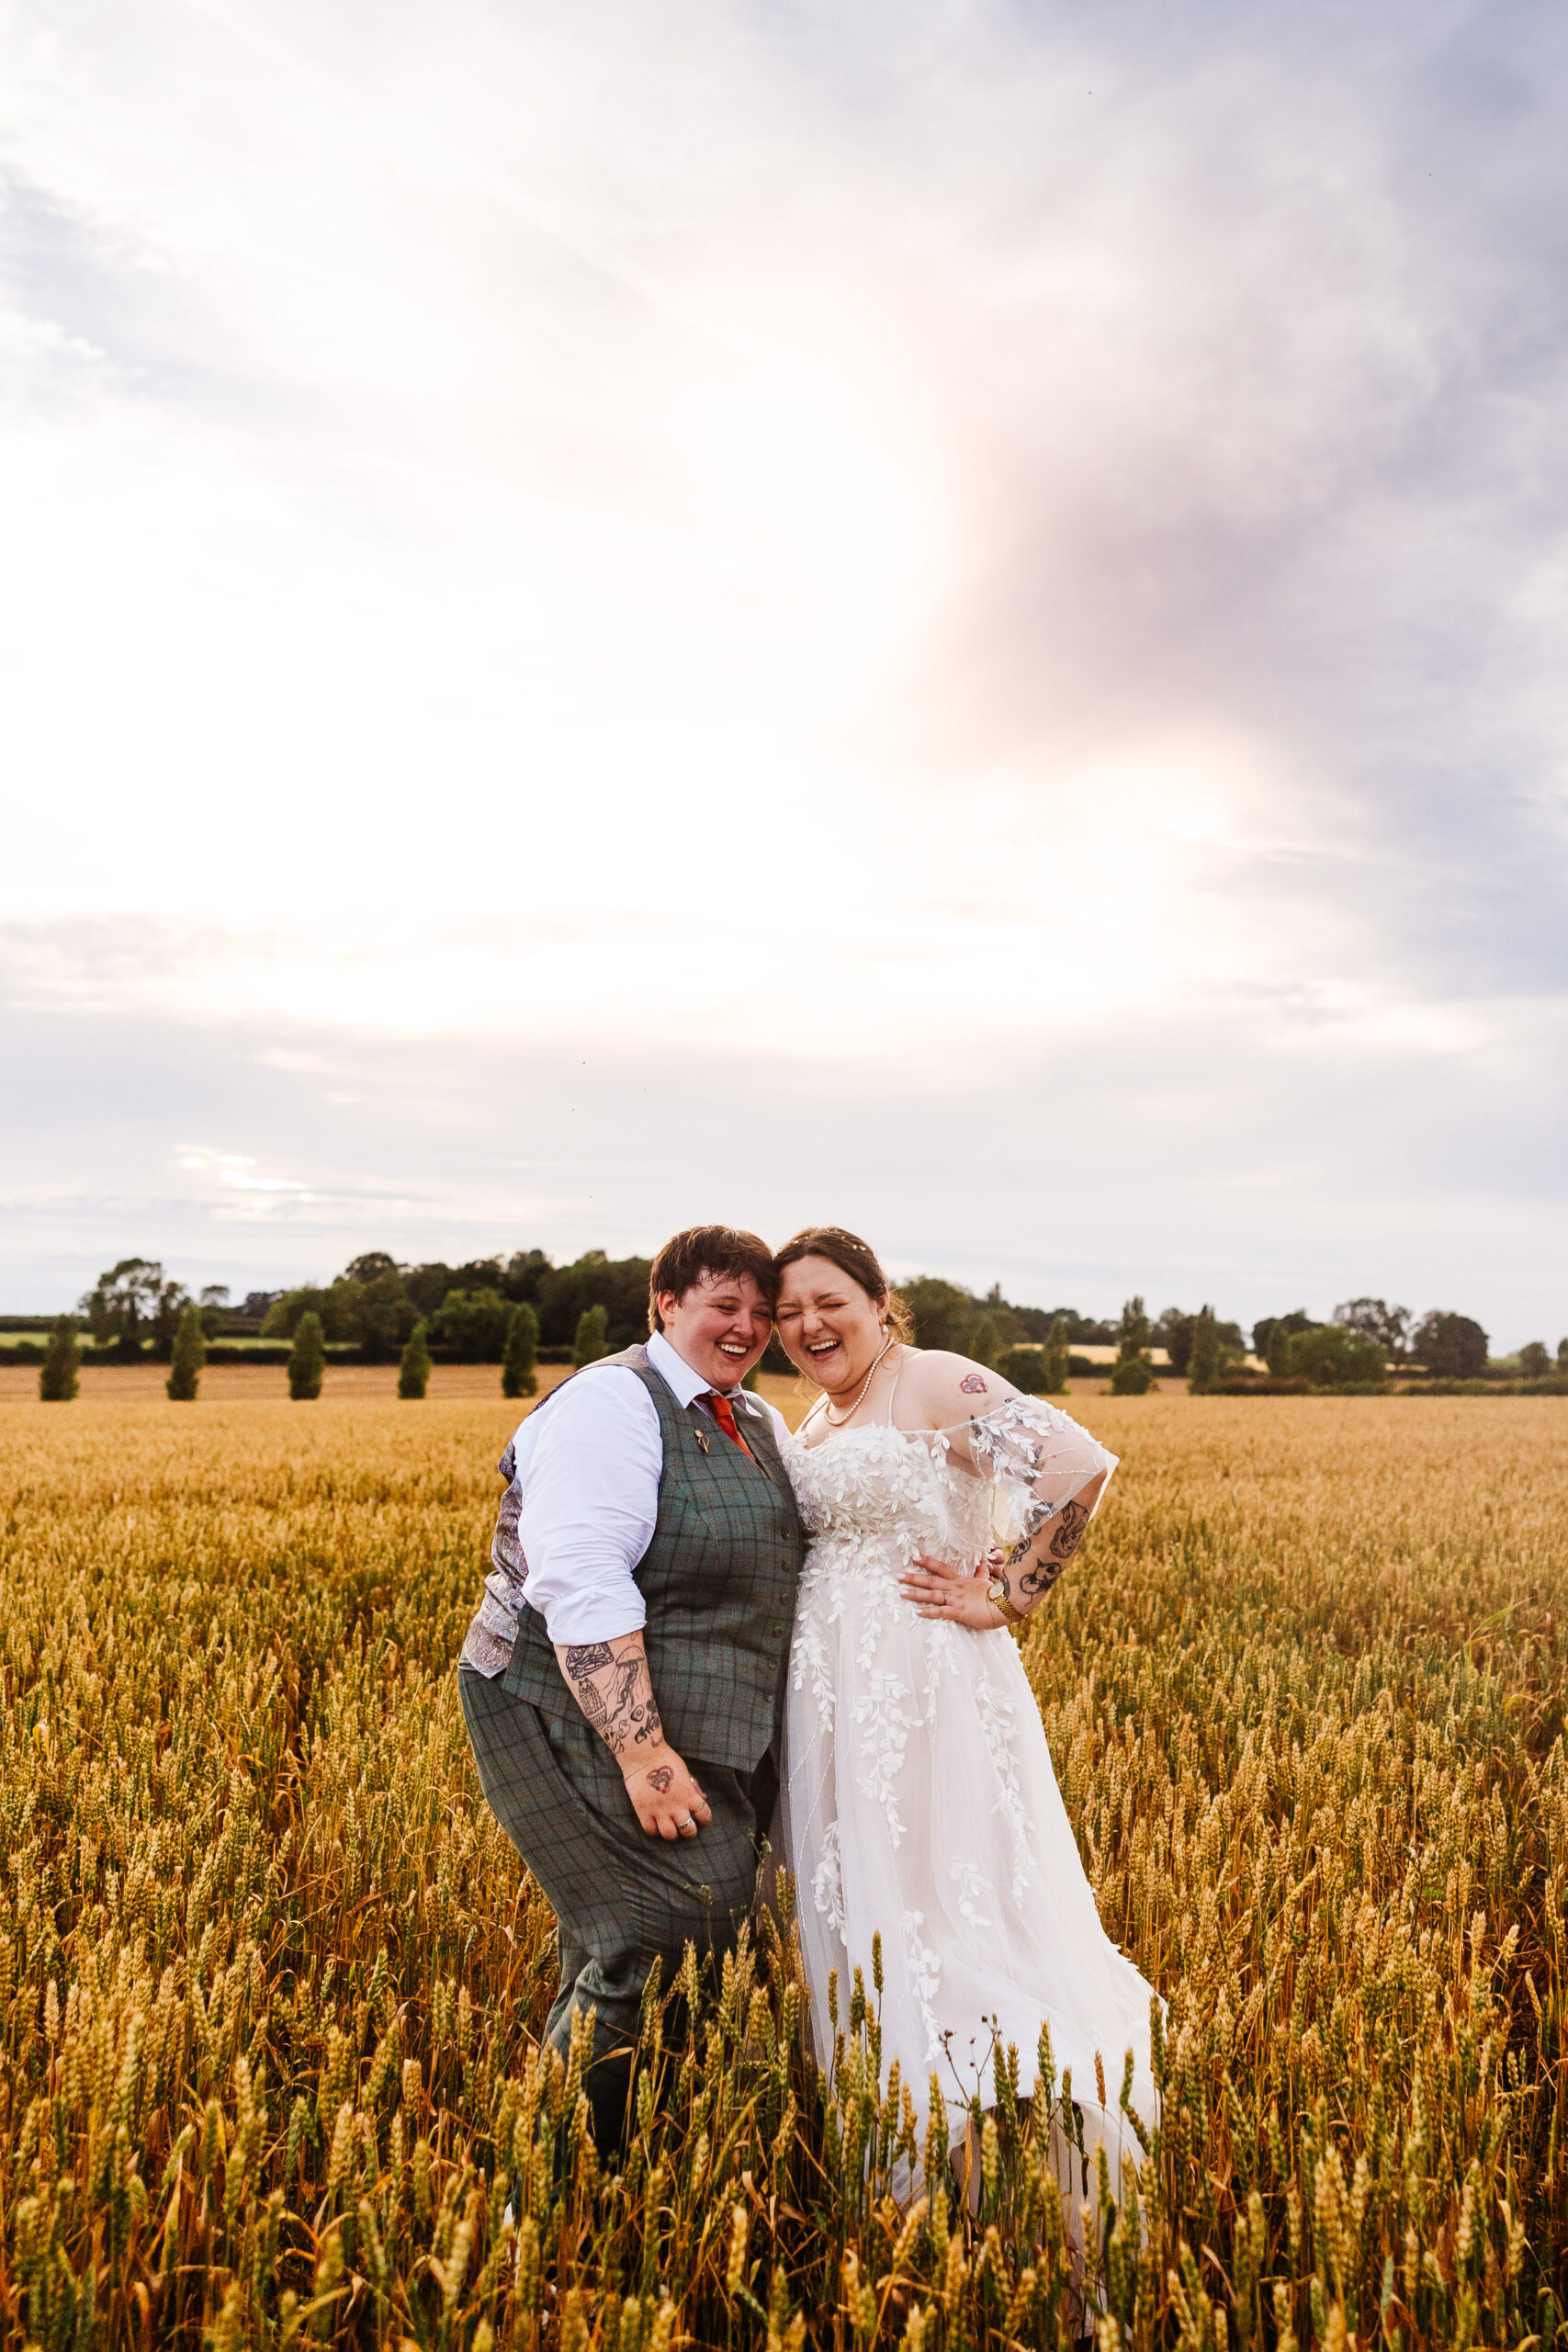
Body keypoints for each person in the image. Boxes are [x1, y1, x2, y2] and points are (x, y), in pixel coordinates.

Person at [772, 1226, 1158, 2215]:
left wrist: (1013, 1593)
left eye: (827, 1301)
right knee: (870, 1913)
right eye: (786, 1312)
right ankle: (935, 2174)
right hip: (834, 1700)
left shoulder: (935, 1380)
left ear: (876, 1297)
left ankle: (1033, 2144)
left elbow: (1077, 1462)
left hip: (925, 1686)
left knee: (947, 1911)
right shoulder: (817, 1416)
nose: (808, 1324)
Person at [458, 1226, 805, 2149]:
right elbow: (579, 1576)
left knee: (684, 1927)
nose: (746, 1328)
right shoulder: (612, 1401)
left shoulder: (757, 1420)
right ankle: (546, 2190)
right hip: (558, 1700)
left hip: (697, 1718)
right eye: (723, 1306)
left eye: (762, 1314)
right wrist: (643, 1752)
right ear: (667, 1304)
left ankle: (630, 2164)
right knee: (657, 1929)